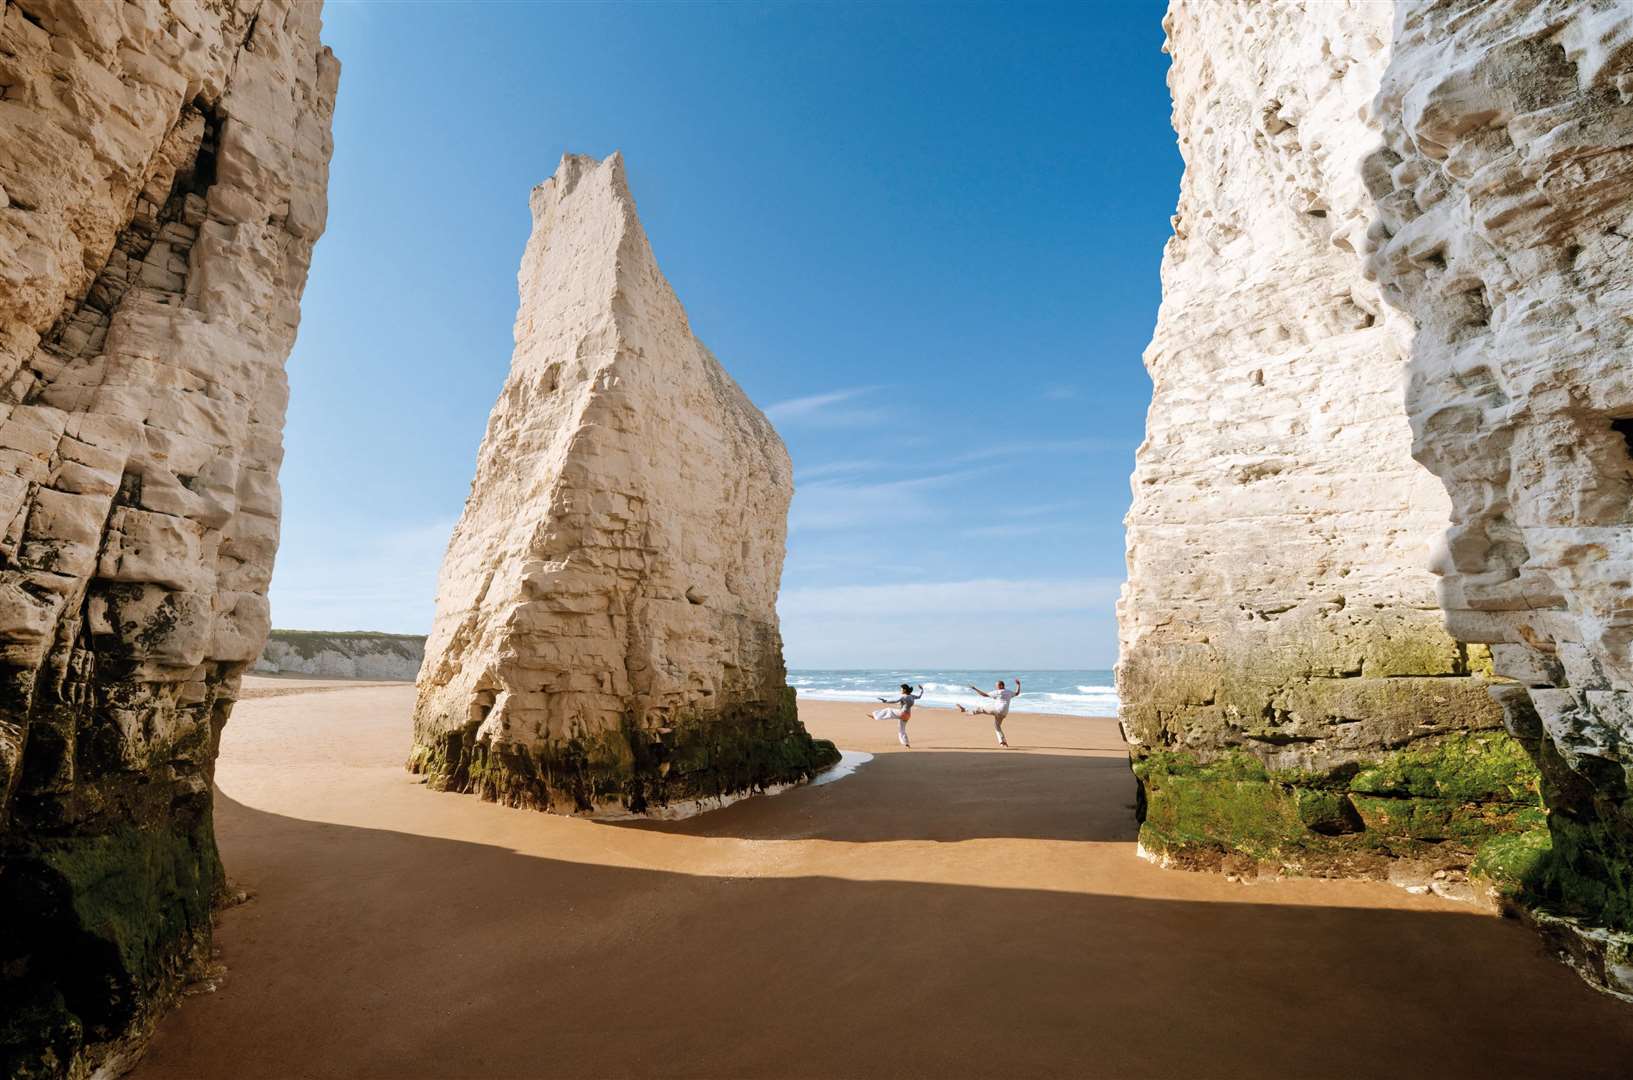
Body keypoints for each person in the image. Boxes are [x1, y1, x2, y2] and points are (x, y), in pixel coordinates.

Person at [957, 677, 1020, 747]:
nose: (996, 687)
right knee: (997, 726)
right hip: (1004, 713)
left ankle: (965, 710)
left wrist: (974, 689)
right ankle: (1002, 742)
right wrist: (1018, 685)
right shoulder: (1009, 692)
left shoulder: (998, 692)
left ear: (1002, 686)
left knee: (980, 709)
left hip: (997, 710)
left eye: (997, 686)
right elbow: (1017, 693)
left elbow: (984, 695)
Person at [867, 683, 924, 749]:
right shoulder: (912, 696)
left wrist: (886, 701)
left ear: (905, 690)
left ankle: (875, 716)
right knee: (901, 730)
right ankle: (906, 744)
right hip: (908, 715)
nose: (901, 690)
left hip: (902, 713)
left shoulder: (904, 697)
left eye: (901, 689)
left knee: (889, 710)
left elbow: (895, 701)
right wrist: (922, 690)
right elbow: (919, 696)